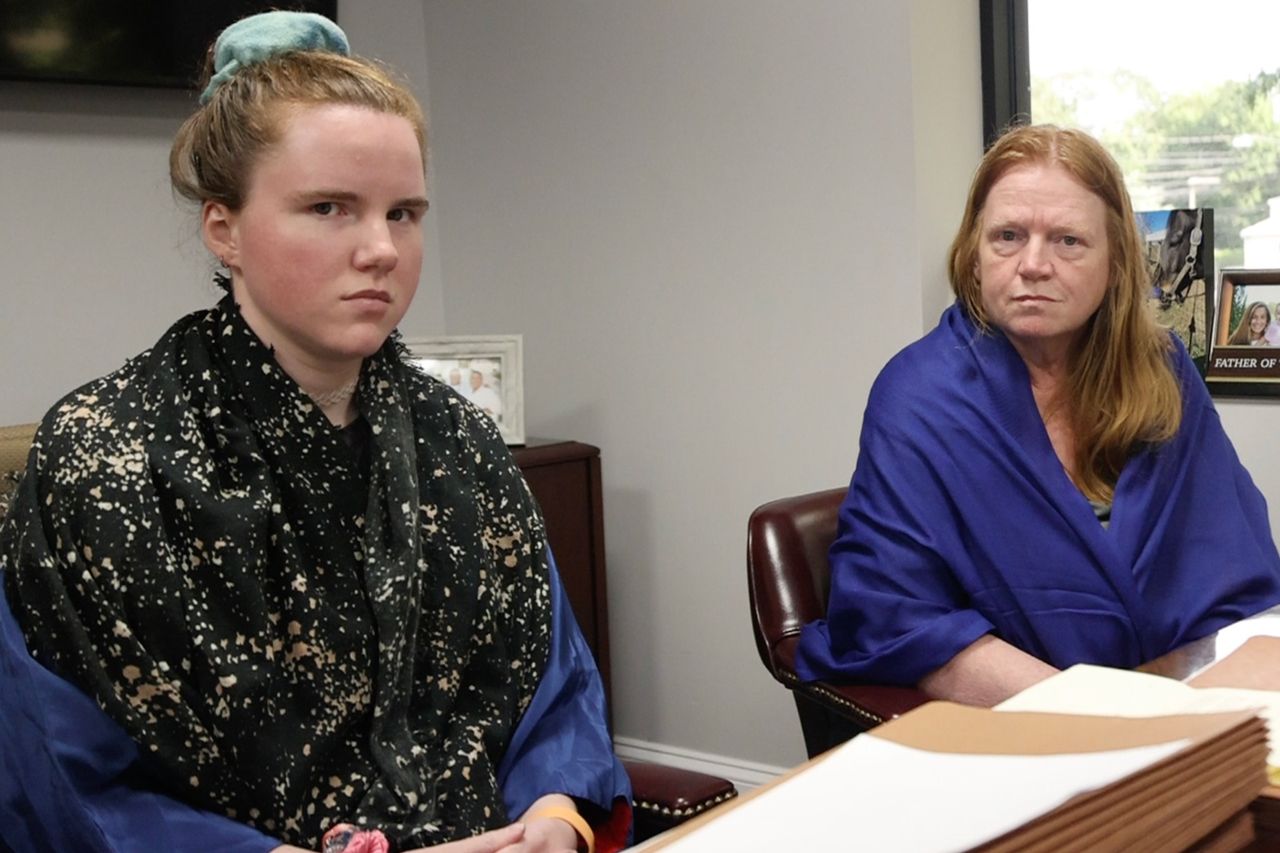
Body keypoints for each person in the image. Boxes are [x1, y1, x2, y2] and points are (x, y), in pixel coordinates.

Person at [0, 11, 629, 853]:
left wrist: (553, 813)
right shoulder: (104, 457)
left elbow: (548, 684)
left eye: (403, 213)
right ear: (223, 228)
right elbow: (66, 771)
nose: (381, 249)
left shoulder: (462, 442)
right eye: (330, 207)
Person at [796, 125, 1280, 707]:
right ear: (973, 256)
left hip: (1185, 701)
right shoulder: (917, 397)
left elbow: (1238, 575)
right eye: (1007, 236)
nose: (1032, 264)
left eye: (1068, 241)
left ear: (1116, 261)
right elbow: (894, 616)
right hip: (1026, 725)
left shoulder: (1164, 370)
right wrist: (1104, 714)